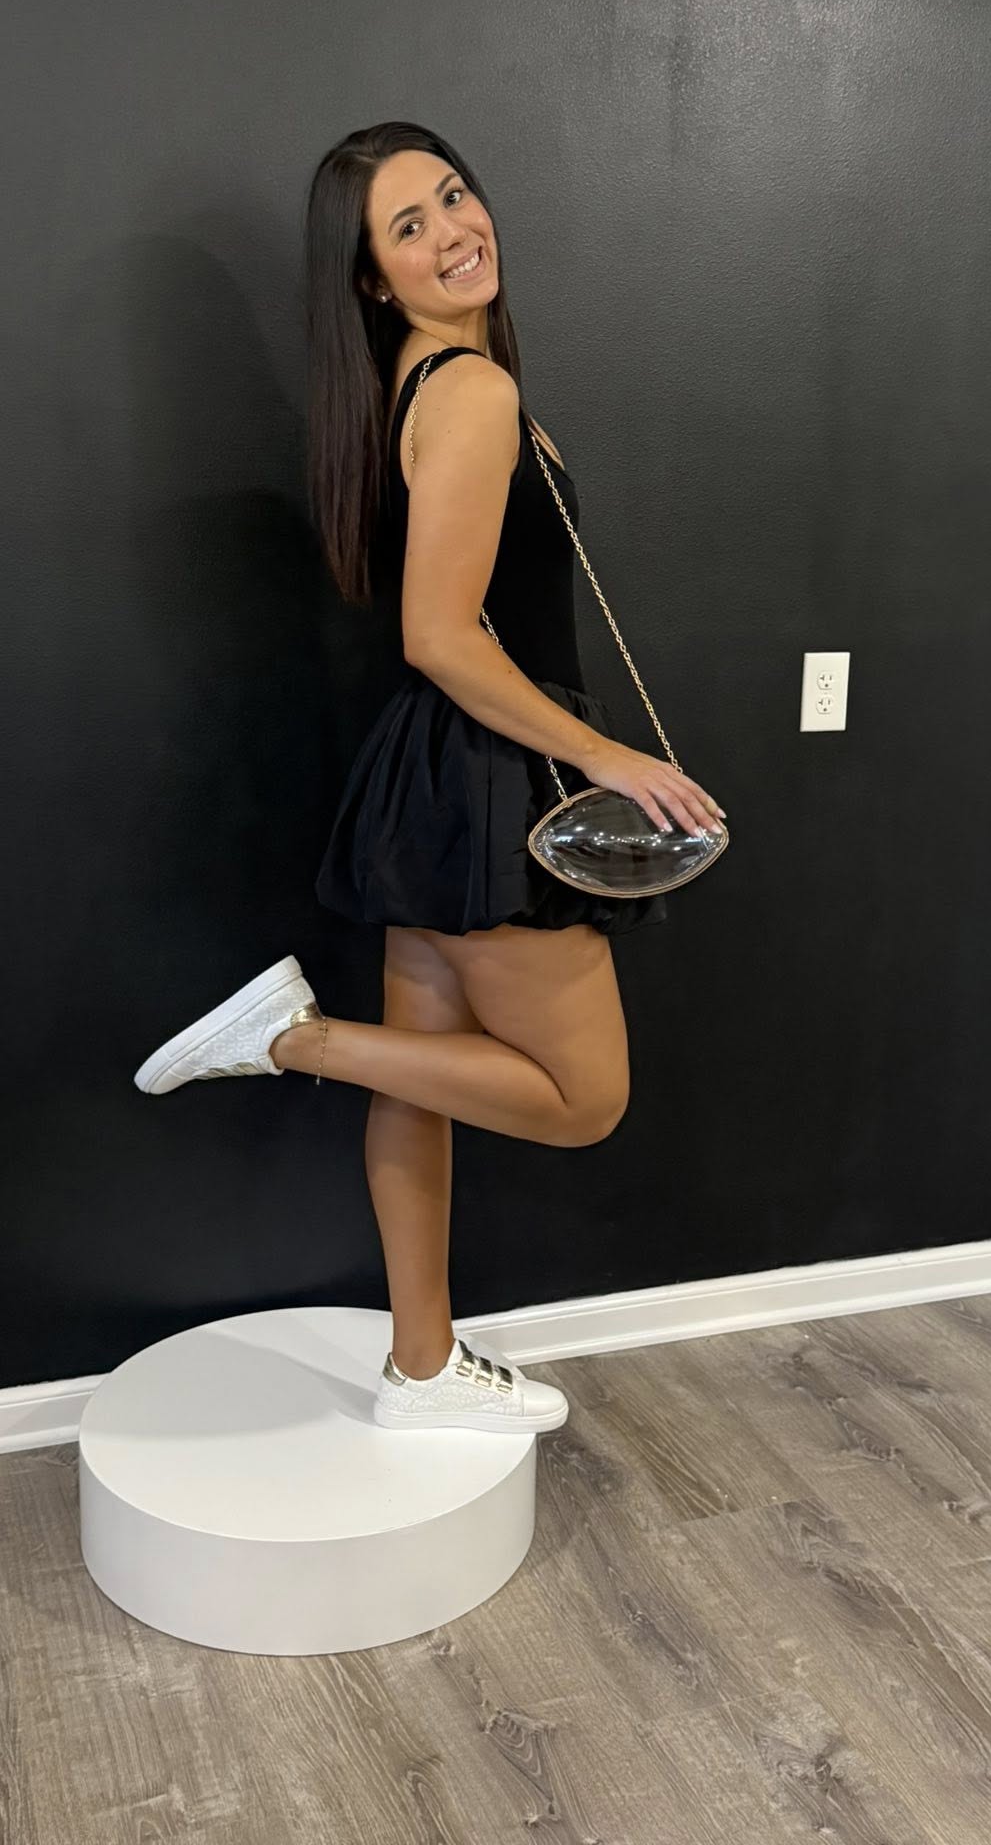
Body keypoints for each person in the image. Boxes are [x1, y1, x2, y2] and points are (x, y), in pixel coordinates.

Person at [134, 121, 726, 1435]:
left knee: (424, 1081)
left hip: (438, 773)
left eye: (455, 197)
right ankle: (291, 1039)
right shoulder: (468, 392)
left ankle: (421, 1363)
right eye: (410, 227)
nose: (456, 231)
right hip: (497, 776)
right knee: (585, 1101)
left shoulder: (418, 382)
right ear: (371, 277)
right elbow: (440, 635)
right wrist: (605, 754)